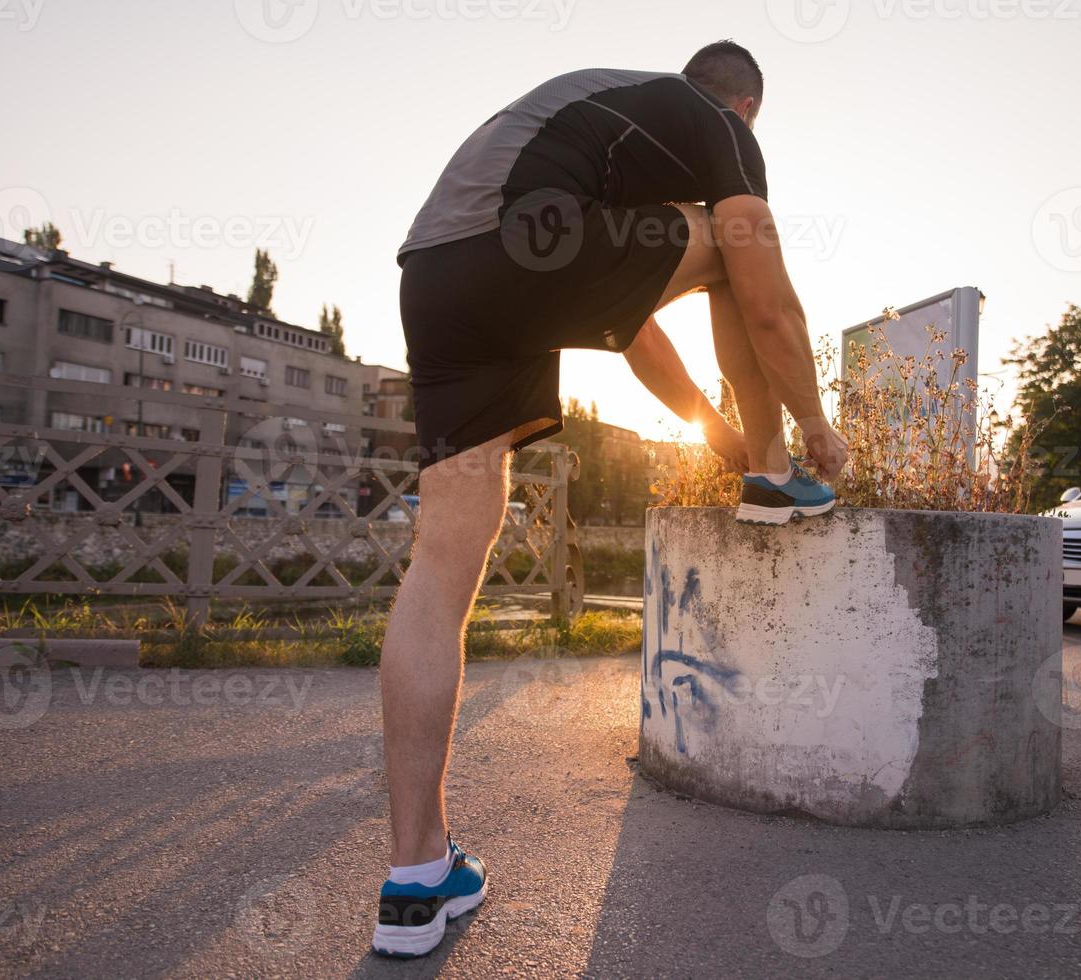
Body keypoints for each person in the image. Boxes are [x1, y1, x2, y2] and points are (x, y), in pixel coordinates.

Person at [371, 40, 850, 958]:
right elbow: (765, 303)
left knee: (439, 569)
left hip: (436, 279)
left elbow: (626, 324)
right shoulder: (717, 126)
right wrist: (812, 420)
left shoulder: (615, 131)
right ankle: (773, 470)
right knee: (737, 248)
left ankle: (416, 878)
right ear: (744, 110)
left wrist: (709, 427)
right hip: (524, 239)